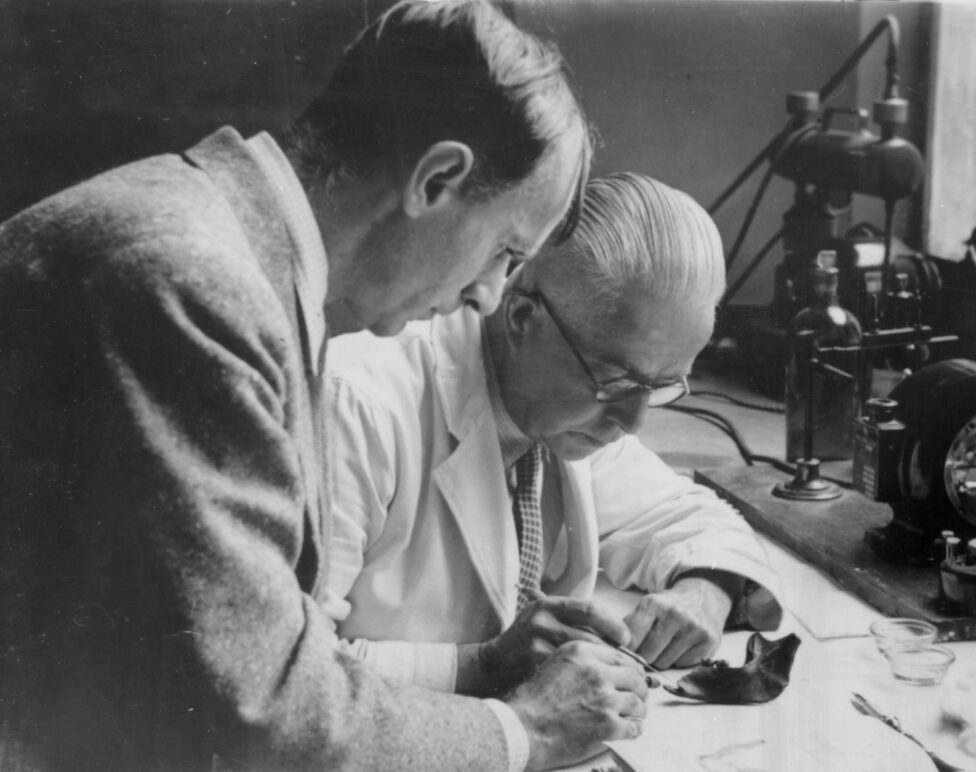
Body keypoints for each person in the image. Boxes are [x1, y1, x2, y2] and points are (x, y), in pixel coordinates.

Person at [0, 3, 649, 771]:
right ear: (437, 178)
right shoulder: (195, 283)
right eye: (506, 251)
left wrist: (480, 670)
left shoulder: (243, 258)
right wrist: (525, 734)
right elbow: (254, 710)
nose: (488, 295)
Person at [323, 172, 784, 696]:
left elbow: (687, 516)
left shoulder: (563, 415)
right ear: (521, 316)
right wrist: (484, 666)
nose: (633, 423)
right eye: (618, 382)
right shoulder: (357, 406)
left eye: (661, 386)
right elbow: (284, 680)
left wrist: (708, 589)